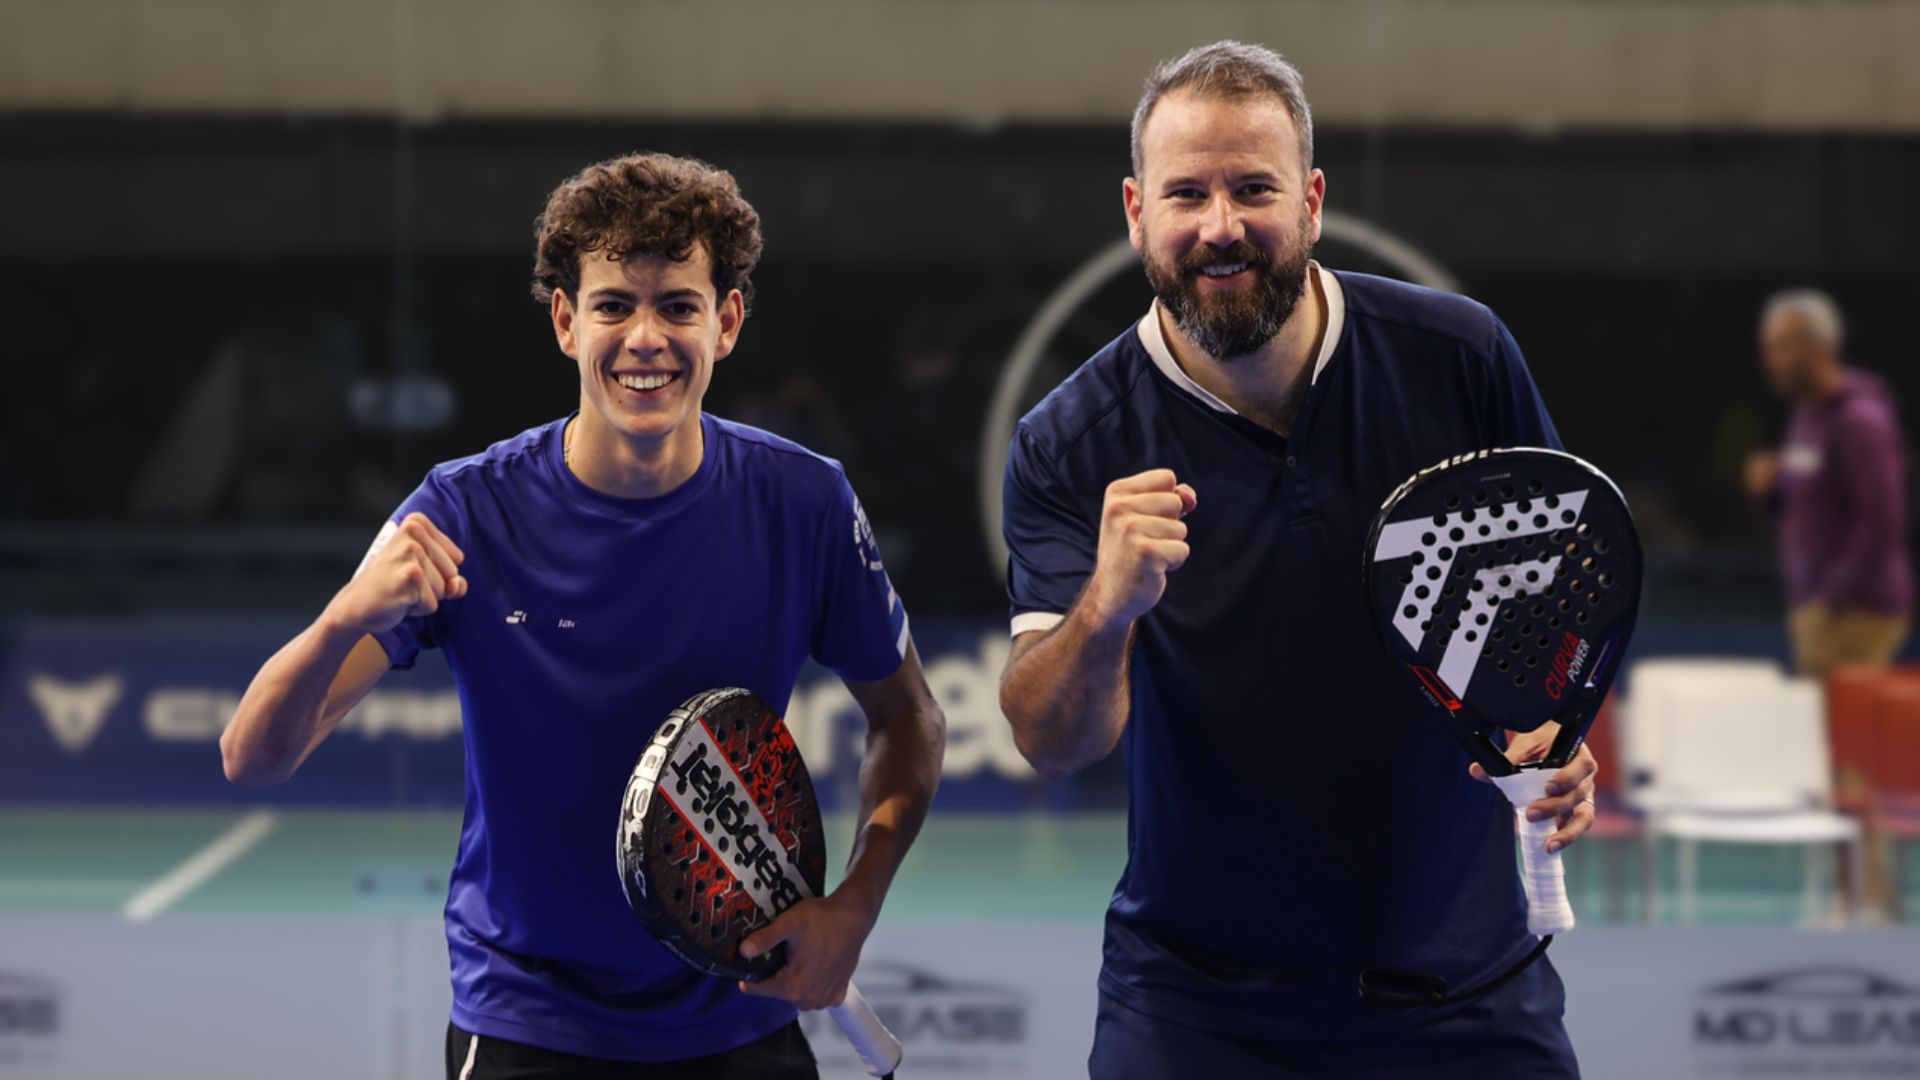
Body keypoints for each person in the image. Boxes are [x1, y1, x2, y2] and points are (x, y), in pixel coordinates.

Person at [220, 152, 945, 1079]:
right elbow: (253, 755)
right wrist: (338, 621)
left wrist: (855, 905)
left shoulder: (804, 503)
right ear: (567, 321)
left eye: (678, 305)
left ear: (725, 322)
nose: (645, 337)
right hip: (527, 1020)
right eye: (613, 305)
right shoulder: (462, 514)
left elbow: (910, 717)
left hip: (739, 1012)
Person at [998, 42, 1597, 1078]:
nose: (1221, 226)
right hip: (1196, 1005)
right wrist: (1106, 607)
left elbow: (1563, 597)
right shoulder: (1067, 443)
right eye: (1187, 193)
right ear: (1136, 212)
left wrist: (1558, 729)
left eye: (1253, 189)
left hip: (1466, 986)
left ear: (1312, 201)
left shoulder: (1460, 358)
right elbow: (1053, 741)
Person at [1743, 288, 1911, 677]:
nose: (1770, 361)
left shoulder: (1859, 420)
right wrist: (1770, 491)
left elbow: (1883, 521)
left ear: (1819, 347)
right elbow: (1802, 509)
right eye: (1768, 348)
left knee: (1847, 731)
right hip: (1820, 606)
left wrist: (1831, 598)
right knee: (1829, 730)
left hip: (1858, 610)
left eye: (1781, 346)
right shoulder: (1806, 416)